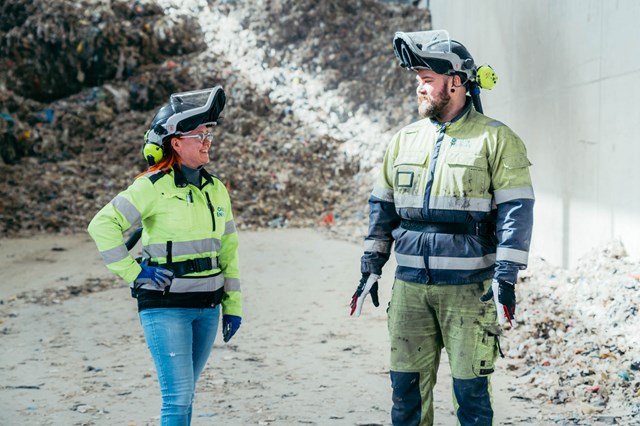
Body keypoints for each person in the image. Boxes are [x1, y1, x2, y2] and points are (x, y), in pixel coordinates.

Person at [350, 30, 534, 425]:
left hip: (470, 293)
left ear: (456, 82)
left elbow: (517, 209)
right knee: (406, 393)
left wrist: (507, 275)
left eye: (427, 80)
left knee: (471, 396)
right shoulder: (404, 140)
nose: (419, 88)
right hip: (411, 289)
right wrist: (371, 263)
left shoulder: (496, 139)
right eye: (417, 80)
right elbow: (382, 208)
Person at [88, 86, 242, 425]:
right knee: (177, 397)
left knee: (186, 397)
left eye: (209, 135)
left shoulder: (216, 189)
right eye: (199, 135)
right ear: (175, 142)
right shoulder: (151, 186)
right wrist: (134, 273)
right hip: (165, 308)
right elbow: (102, 225)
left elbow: (228, 250)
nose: (207, 142)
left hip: (207, 309)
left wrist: (233, 305)